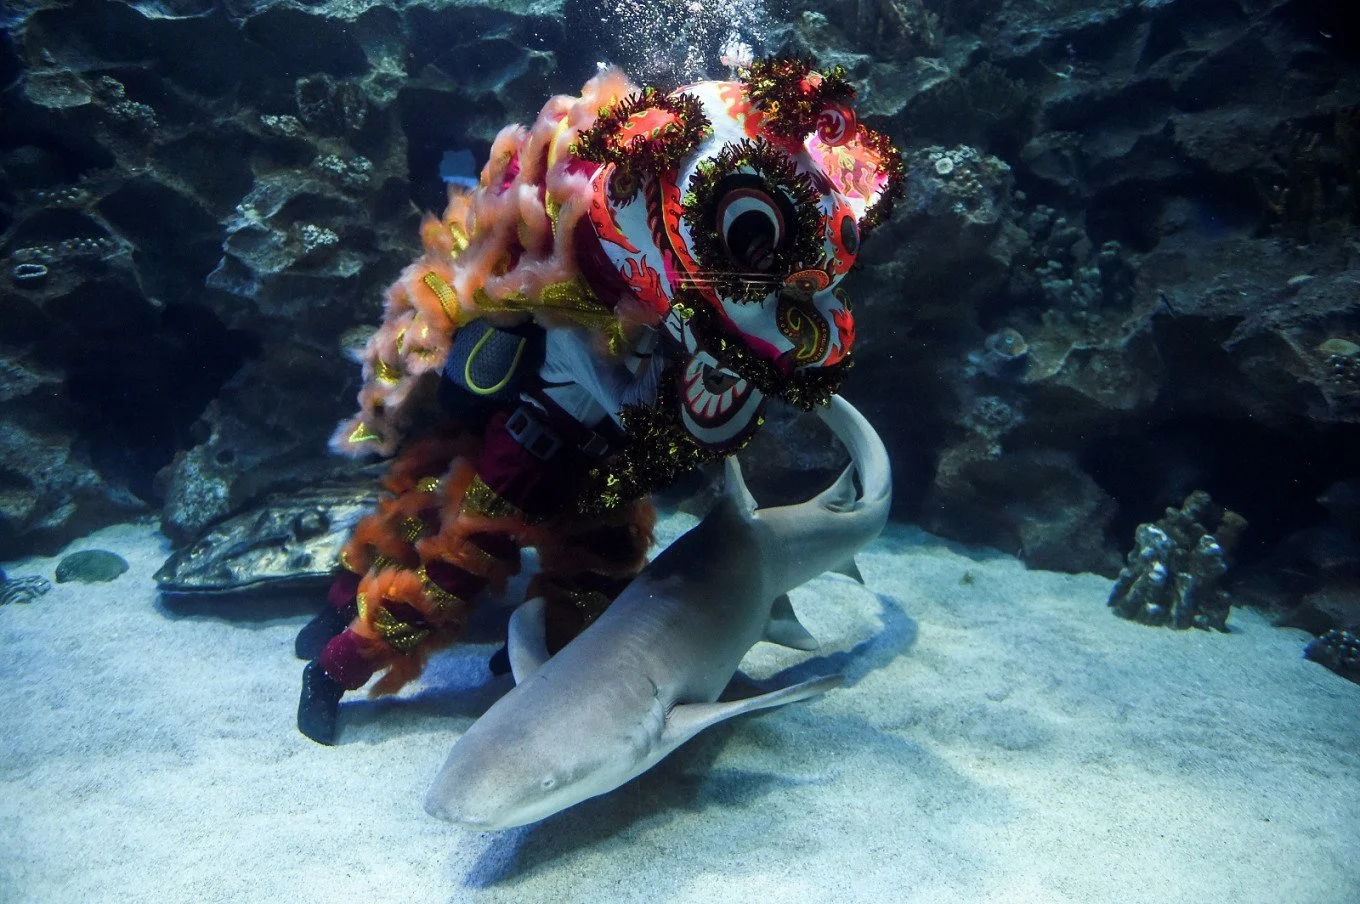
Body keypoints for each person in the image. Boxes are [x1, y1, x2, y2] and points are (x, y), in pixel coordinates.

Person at [296, 57, 904, 744]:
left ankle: (532, 667)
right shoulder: (575, 303)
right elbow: (617, 397)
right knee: (441, 566)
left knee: (597, 587)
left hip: (604, 473)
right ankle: (334, 664)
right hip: (523, 457)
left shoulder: (674, 309)